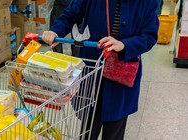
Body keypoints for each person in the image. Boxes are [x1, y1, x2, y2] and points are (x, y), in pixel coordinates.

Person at [42, 0, 159, 139]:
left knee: (115, 127)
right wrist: (55, 31)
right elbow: (72, 14)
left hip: (121, 74)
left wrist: (124, 45)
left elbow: (149, 36)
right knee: (88, 125)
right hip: (92, 69)